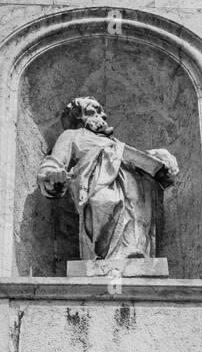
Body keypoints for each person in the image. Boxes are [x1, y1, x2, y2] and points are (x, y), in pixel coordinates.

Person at [37, 96, 178, 267]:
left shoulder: (115, 143)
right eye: (93, 111)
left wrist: (160, 161)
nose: (102, 116)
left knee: (136, 216)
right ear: (79, 116)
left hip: (132, 187)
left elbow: (151, 170)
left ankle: (134, 256)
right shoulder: (72, 135)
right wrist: (53, 177)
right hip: (96, 185)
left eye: (102, 112)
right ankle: (103, 259)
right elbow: (53, 163)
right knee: (105, 202)